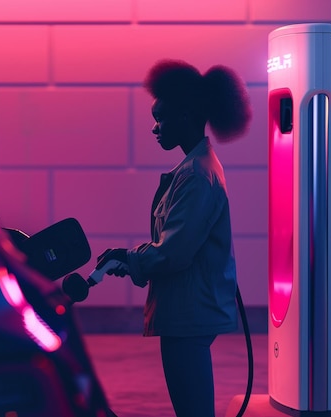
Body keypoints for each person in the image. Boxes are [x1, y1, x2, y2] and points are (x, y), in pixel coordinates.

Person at [96, 59, 252, 417]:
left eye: (161, 118)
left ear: (185, 117)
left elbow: (173, 253)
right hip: (189, 309)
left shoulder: (197, 176)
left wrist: (130, 257)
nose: (154, 128)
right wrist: (130, 257)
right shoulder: (195, 169)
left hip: (189, 314)